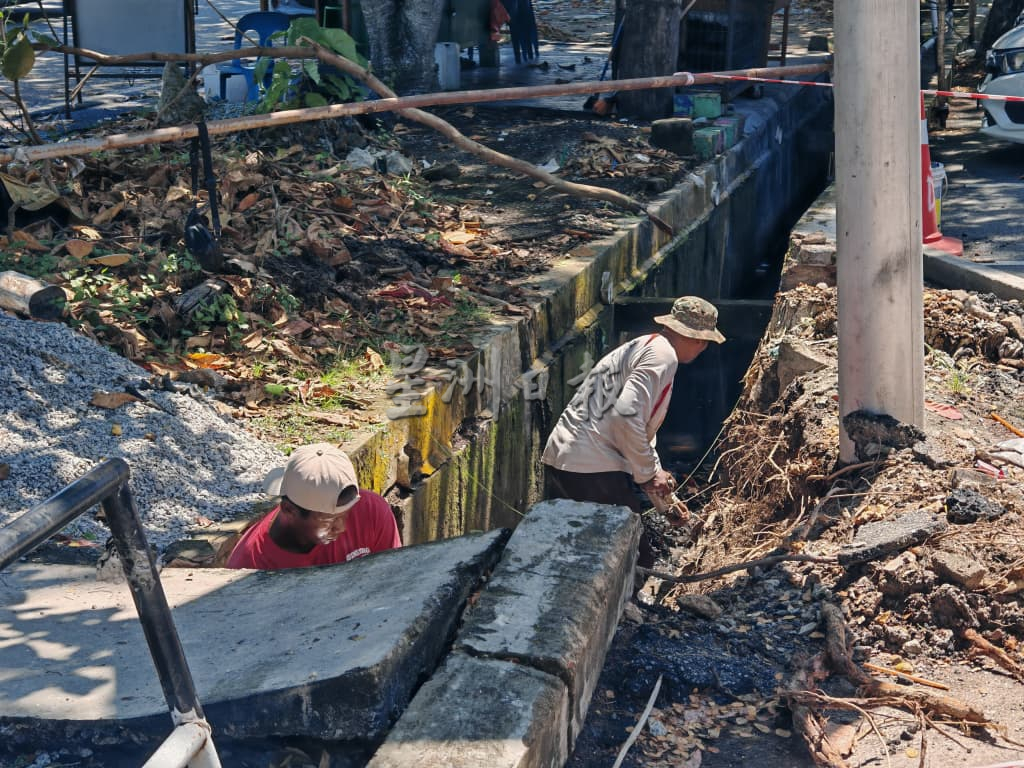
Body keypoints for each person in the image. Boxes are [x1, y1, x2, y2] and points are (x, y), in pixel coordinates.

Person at [542, 296, 724, 563]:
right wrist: (649, 473)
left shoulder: (645, 346)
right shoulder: (663, 358)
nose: (703, 348)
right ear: (699, 340)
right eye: (705, 342)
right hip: (589, 465)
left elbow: (638, 429)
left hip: (568, 458)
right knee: (635, 558)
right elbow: (626, 418)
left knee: (579, 553)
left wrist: (665, 500)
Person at [227, 443, 402, 570]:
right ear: (289, 510)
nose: (341, 528)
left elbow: (393, 579)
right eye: (329, 520)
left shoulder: (371, 511)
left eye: (346, 514)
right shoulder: (251, 564)